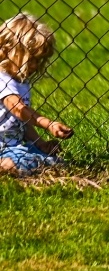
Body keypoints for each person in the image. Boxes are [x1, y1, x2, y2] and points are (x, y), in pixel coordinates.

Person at [0, 13, 73, 176]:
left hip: (14, 146)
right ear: (9, 49)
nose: (35, 65)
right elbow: (19, 110)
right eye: (31, 59)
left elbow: (23, 122)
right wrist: (49, 124)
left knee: (57, 162)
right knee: (23, 163)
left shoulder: (21, 82)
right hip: (2, 147)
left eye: (39, 60)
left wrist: (40, 143)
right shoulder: (2, 79)